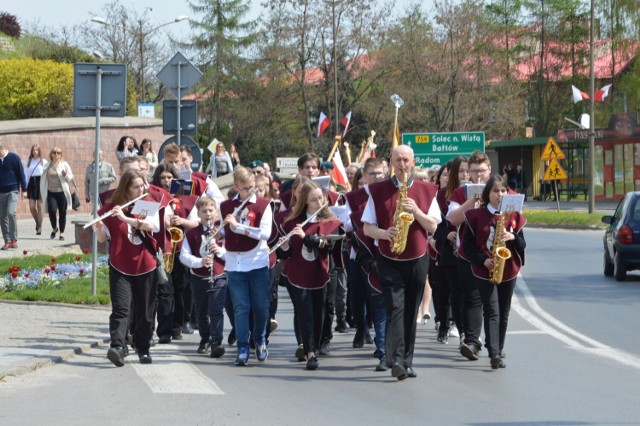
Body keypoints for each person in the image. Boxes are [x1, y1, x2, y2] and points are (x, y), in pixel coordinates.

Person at [362, 145, 440, 381]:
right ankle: (395, 359)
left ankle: (407, 360)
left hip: (417, 258)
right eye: (398, 160)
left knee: (410, 310)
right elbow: (367, 227)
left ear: (413, 162)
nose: (402, 164)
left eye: (406, 160)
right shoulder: (376, 191)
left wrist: (415, 209)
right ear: (391, 163)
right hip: (389, 258)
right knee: (395, 308)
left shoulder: (427, 190)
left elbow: (433, 226)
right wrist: (385, 233)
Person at [93, 169, 160, 366]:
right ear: (126, 189)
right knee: (121, 309)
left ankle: (143, 347)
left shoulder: (146, 205)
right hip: (120, 265)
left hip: (145, 265)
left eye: (142, 185)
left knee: (145, 311)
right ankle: (117, 347)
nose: (141, 189)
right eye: (136, 187)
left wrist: (126, 218)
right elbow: (103, 238)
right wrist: (98, 227)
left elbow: (150, 226)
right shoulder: (111, 209)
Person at [277, 180, 344, 370]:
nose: (318, 202)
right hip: (298, 276)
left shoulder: (330, 223)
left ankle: (315, 345)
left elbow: (327, 247)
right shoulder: (292, 223)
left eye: (320, 198)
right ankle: (310, 353)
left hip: (321, 274)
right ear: (305, 202)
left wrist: (306, 238)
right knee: (304, 313)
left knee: (318, 315)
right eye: (314, 200)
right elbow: (286, 256)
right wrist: (285, 246)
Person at [462, 174, 526, 369]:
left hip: (508, 267)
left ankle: (498, 346)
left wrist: (513, 237)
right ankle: (494, 354)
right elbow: (467, 246)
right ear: (487, 193)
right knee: (492, 309)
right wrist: (484, 260)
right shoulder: (475, 216)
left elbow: (522, 244)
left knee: (504, 311)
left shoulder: (513, 215)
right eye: (495, 191)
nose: (499, 194)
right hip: (486, 268)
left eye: (503, 191)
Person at [220, 166, 272, 366]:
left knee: (260, 307)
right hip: (234, 263)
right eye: (245, 188)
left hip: (257, 261)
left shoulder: (264, 205)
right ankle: (242, 347)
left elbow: (265, 234)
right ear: (236, 186)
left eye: (252, 187)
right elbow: (226, 232)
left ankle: (259, 339)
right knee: (241, 307)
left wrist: (238, 227)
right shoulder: (226, 206)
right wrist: (218, 234)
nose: (250, 191)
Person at [446, 150, 491, 356]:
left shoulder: (500, 189)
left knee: (493, 302)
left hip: (494, 252)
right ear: (468, 173)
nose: (478, 175)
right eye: (474, 171)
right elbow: (453, 219)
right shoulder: (460, 193)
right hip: (469, 253)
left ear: (489, 170)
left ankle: (494, 345)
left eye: (482, 170)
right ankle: (472, 342)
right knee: (472, 298)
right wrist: (473, 199)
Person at [179, 196, 228, 358]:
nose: (208, 214)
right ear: (198, 214)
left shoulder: (222, 232)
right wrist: (201, 261)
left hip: (219, 275)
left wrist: (219, 250)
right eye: (204, 211)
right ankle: (205, 338)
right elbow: (183, 256)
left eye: (211, 210)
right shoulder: (192, 233)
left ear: (215, 213)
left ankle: (217, 342)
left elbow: (232, 254)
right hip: (198, 277)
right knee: (201, 312)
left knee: (216, 310)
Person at [40, 147, 74, 241]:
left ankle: (62, 233)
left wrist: (65, 175)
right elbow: (42, 176)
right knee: (52, 211)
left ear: (60, 155)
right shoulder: (47, 165)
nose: (56, 154)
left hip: (62, 192)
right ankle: (55, 228)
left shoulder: (64, 164)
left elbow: (70, 178)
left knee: (63, 213)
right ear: (51, 154)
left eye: (58, 153)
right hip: (51, 192)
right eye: (54, 152)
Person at [0, 142, 27, 249]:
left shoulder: (14, 158)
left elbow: (21, 174)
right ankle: (7, 241)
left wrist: (24, 189)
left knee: (11, 213)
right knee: (3, 217)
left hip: (13, 190)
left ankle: (14, 239)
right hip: (1, 192)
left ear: (2, 149)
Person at [24, 144, 47, 236]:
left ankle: (40, 226)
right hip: (31, 184)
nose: (35, 152)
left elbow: (46, 174)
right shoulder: (29, 161)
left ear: (39, 151)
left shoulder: (43, 161)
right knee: (32, 207)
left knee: (40, 206)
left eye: (37, 150)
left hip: (41, 182)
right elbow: (26, 175)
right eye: (33, 150)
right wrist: (25, 188)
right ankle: (38, 222)